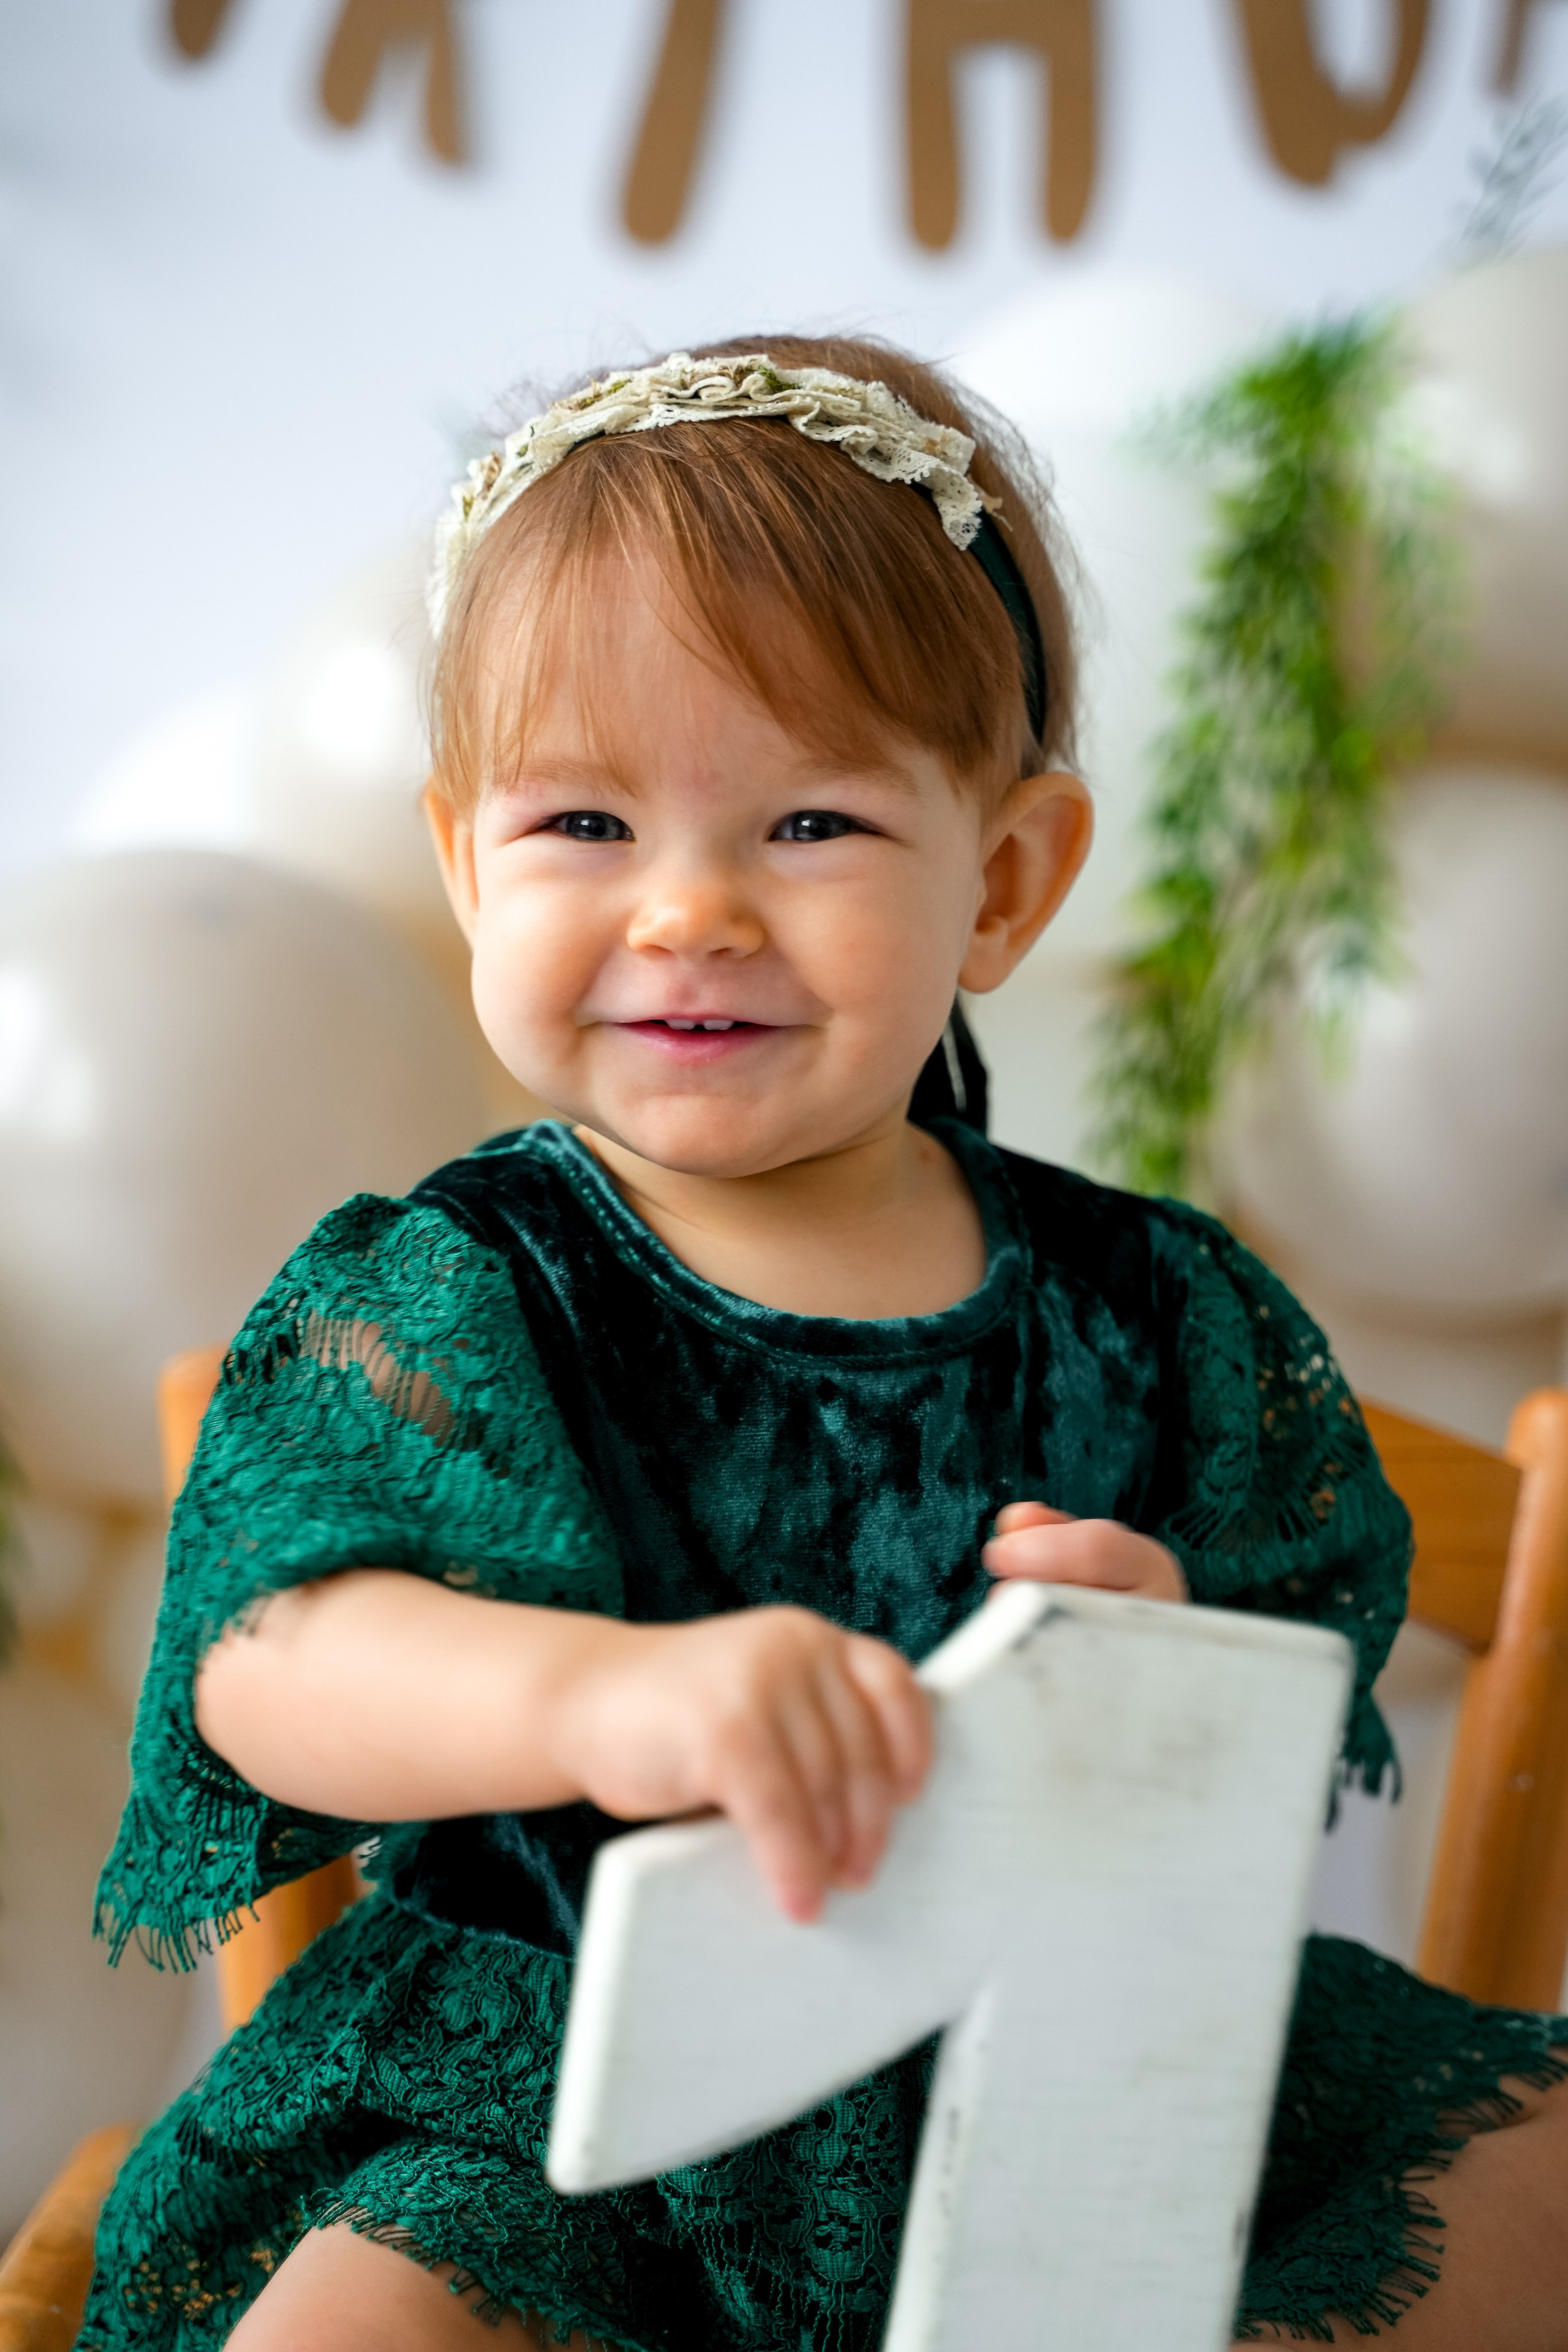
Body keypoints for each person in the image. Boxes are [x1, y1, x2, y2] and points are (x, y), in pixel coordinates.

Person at [81, 339, 1568, 2352]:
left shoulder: (1148, 1313)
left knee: (1538, 2174)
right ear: (463, 861)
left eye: (808, 827)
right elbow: (275, 1661)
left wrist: (1163, 1654)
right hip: (557, 2113)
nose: (688, 909)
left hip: (1061, 2070)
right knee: (354, 2330)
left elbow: (1283, 1692)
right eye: (586, 822)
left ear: (1007, 879)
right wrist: (601, 1701)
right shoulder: (459, 1289)